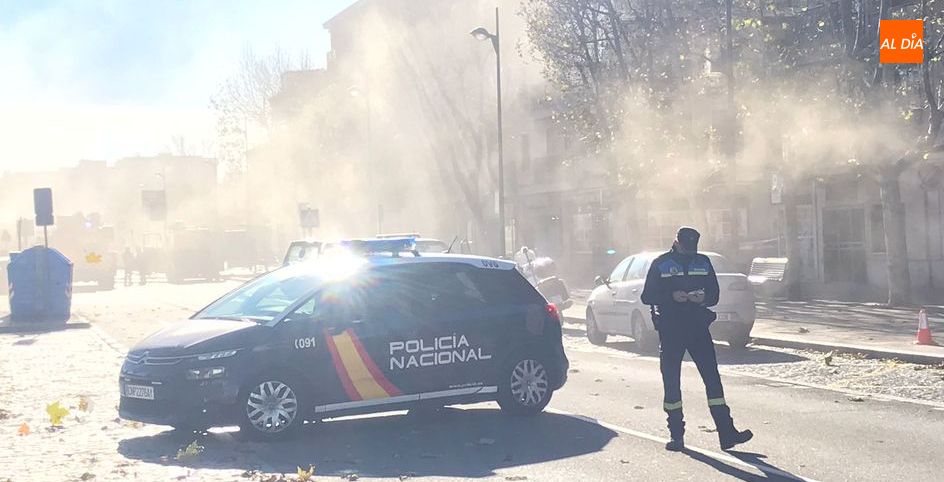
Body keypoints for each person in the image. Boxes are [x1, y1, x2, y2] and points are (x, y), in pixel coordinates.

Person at [641, 227, 753, 452]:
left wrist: (703, 298)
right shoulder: (661, 263)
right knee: (672, 382)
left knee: (712, 379)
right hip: (671, 329)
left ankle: (727, 432)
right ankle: (676, 435)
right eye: (686, 247)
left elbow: (714, 294)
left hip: (697, 327)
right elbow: (647, 296)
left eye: (693, 247)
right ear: (677, 242)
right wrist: (671, 297)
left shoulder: (702, 262)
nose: (690, 251)